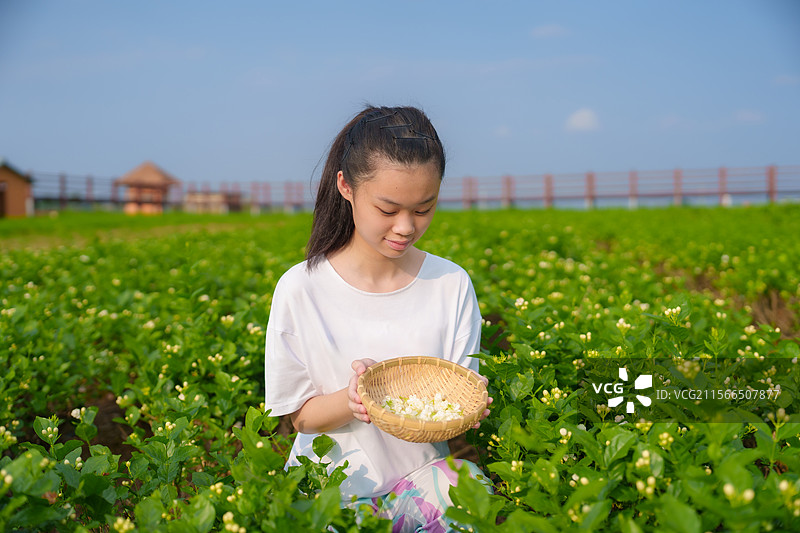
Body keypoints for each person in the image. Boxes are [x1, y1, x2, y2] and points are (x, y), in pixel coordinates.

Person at [264, 105, 492, 531]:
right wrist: (353, 399)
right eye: (387, 209)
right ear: (346, 187)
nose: (405, 226)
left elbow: (454, 395)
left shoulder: (451, 283)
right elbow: (299, 418)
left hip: (419, 475)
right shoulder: (301, 288)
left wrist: (470, 404)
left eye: (424, 208)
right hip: (331, 482)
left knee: (470, 498)